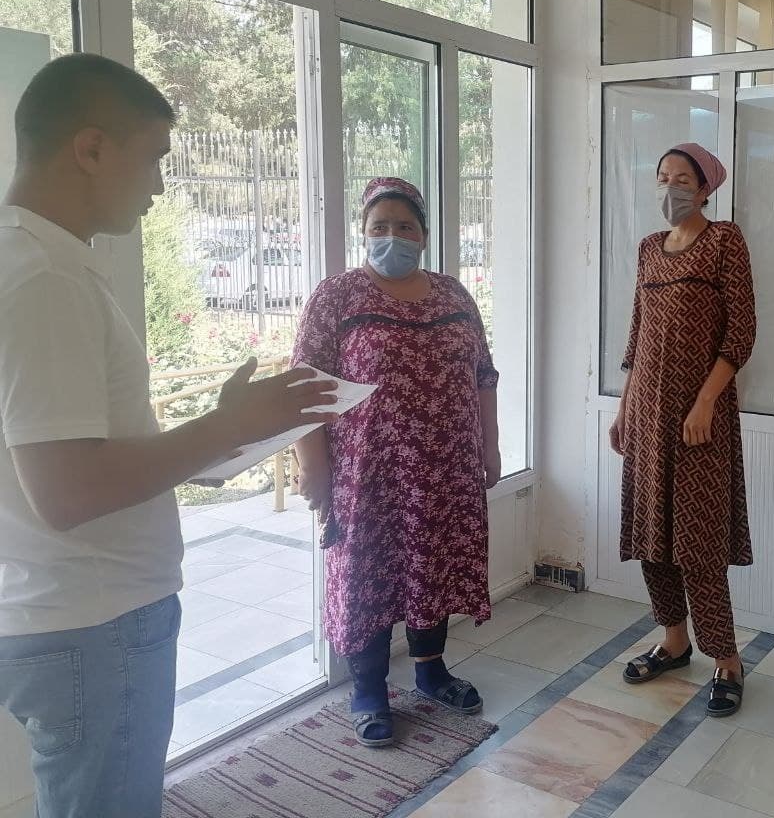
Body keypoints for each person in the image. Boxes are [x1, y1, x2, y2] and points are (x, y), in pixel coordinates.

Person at [0, 53, 336, 818]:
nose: (158, 185)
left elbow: (67, 453)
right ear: (91, 149)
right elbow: (68, 492)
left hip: (58, 608)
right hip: (94, 621)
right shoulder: (46, 276)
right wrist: (227, 425)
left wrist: (218, 437)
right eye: (153, 157)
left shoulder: (24, 257)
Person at [292, 176, 500, 747]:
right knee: (368, 572)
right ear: (363, 233)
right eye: (379, 226)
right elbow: (303, 387)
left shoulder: (454, 295)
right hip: (369, 474)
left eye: (404, 227)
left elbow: (483, 376)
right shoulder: (338, 296)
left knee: (435, 563)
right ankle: (369, 690)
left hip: (447, 468)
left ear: (424, 236)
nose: (392, 237)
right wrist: (313, 466)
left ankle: (431, 672)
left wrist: (490, 446)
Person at [610, 142, 756, 717]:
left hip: (701, 417)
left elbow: (741, 333)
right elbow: (638, 334)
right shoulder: (650, 248)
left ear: (705, 188)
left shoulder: (724, 241)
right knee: (653, 534)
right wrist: (624, 408)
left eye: (682, 179)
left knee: (698, 542)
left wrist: (704, 404)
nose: (670, 188)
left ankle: (726, 659)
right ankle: (674, 641)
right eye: (662, 177)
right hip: (647, 412)